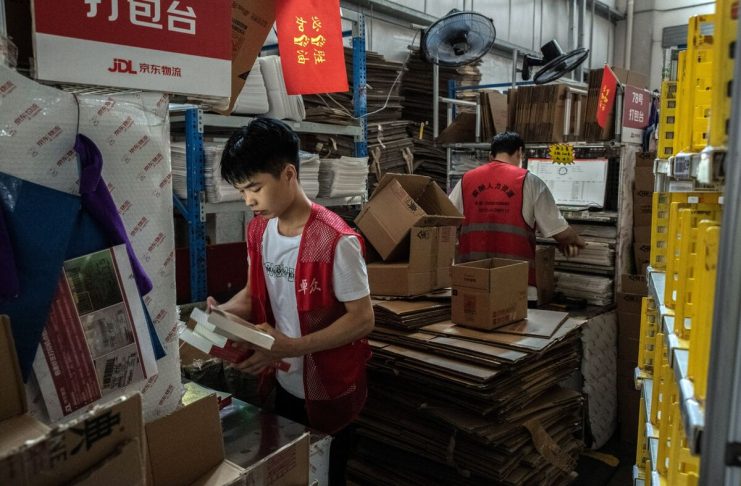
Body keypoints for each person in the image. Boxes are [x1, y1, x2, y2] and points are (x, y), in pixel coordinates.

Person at [208, 118, 374, 486]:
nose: (249, 201)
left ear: (288, 174)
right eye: (241, 191)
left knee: (327, 474)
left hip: (330, 386)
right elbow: (253, 293)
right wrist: (221, 314)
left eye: (255, 188)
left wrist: (293, 347)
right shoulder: (258, 229)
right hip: (283, 379)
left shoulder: (336, 239)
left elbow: (363, 319)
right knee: (294, 473)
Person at [449, 131, 586, 304]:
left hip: (472, 282)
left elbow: (446, 220)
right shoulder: (531, 181)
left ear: (491, 155)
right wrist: (578, 242)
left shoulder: (466, 180)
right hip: (517, 285)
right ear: (520, 152)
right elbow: (561, 232)